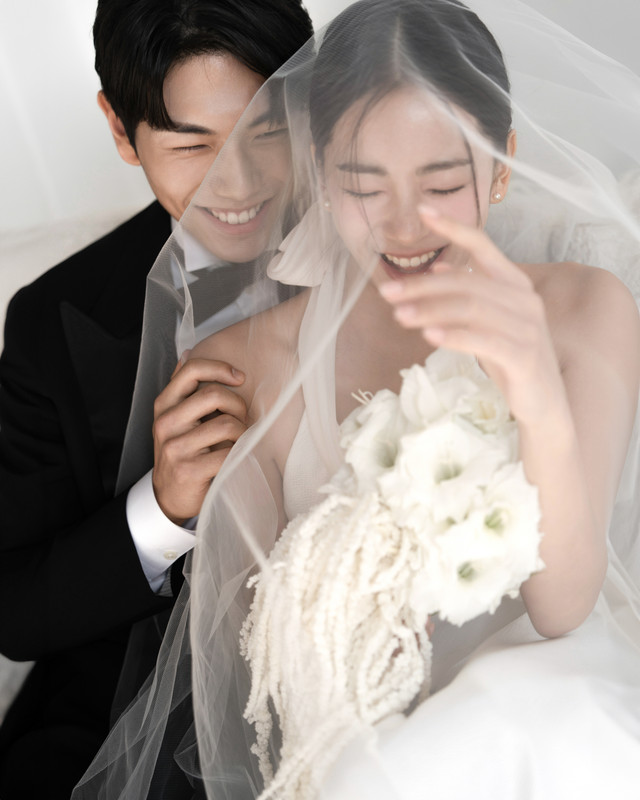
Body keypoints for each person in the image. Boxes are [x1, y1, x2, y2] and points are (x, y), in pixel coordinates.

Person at [74, 0, 640, 797]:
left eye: (443, 182)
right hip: (368, 743)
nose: (405, 226)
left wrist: (537, 394)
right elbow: (255, 661)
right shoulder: (243, 366)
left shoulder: (587, 308)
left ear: (502, 166)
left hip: (550, 702)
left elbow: (563, 608)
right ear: (318, 171)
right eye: (363, 185)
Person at [0, 1, 313, 797]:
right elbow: (17, 607)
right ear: (119, 128)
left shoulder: (389, 241)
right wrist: (162, 510)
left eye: (266, 129)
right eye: (193, 145)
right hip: (116, 718)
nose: (239, 183)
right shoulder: (51, 321)